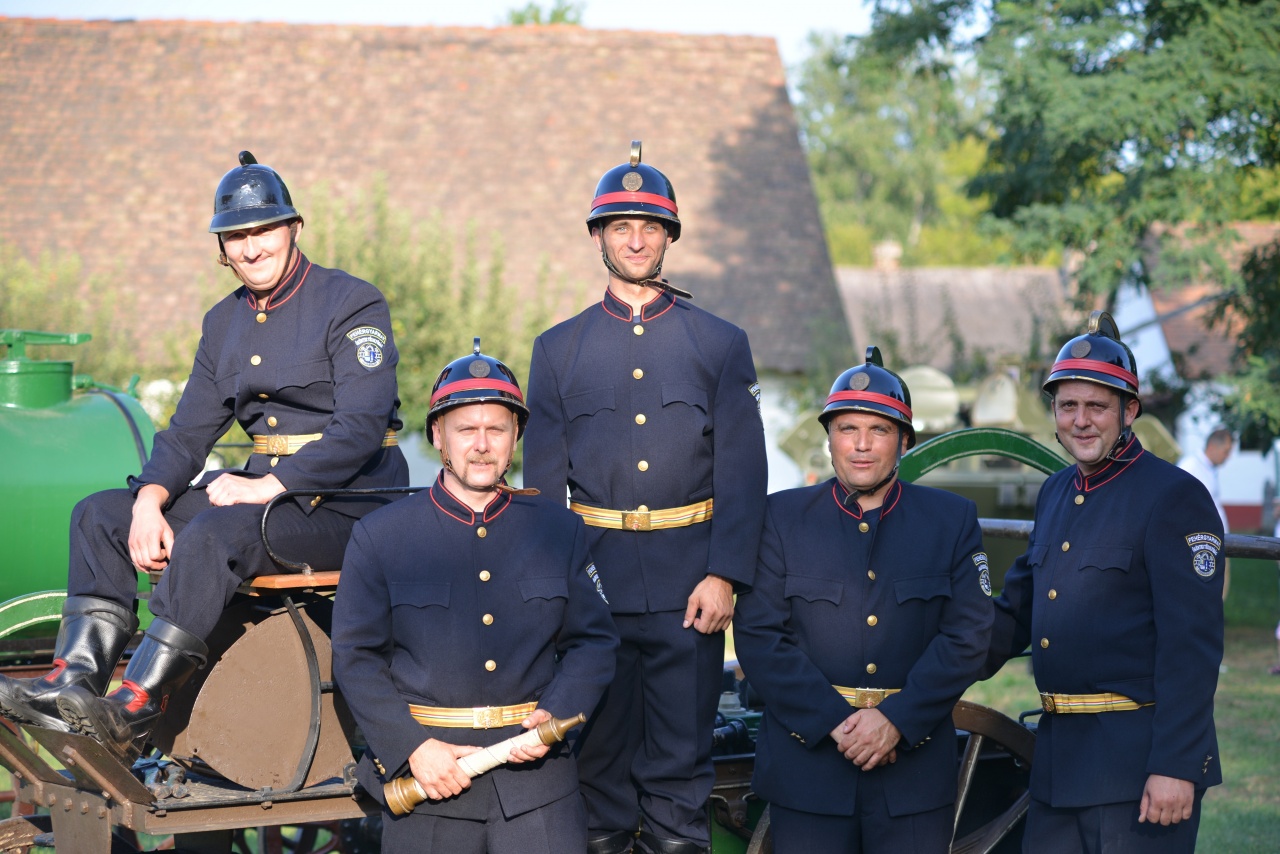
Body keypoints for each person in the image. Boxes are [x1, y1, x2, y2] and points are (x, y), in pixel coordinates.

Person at [0, 151, 409, 762]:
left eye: (262, 230)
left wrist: (270, 485)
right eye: (235, 237)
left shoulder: (350, 303)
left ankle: (135, 706)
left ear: (293, 227)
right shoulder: (224, 323)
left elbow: (359, 427)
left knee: (218, 528)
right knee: (99, 515)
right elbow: (190, 430)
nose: (250, 248)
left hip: (348, 504)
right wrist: (148, 499)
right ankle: (75, 684)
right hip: (266, 504)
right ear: (222, 247)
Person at [523, 142, 768, 854]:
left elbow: (743, 475)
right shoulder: (558, 350)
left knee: (679, 770)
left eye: (651, 226)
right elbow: (543, 495)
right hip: (593, 588)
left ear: (669, 237)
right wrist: (562, 593)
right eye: (621, 225)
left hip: (689, 585)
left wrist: (725, 575)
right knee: (594, 770)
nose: (636, 238)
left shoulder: (718, 343)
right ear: (598, 236)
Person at [331, 342, 618, 853]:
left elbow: (594, 642)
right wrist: (411, 748)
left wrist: (558, 711)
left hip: (540, 793)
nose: (481, 445)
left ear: (516, 439)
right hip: (432, 789)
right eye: (466, 429)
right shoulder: (382, 536)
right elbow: (355, 658)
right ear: (439, 435)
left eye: (497, 430)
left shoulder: (560, 531)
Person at [733, 348, 994, 854]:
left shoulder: (951, 520)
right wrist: (836, 723)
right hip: (807, 772)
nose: (861, 446)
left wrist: (897, 721)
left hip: (913, 778)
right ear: (828, 438)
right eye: (847, 429)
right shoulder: (781, 519)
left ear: (904, 441)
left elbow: (968, 635)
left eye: (879, 431)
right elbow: (760, 638)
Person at [983, 311, 1224, 853]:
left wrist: (1176, 767)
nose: (1081, 420)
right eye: (1068, 406)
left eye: (1097, 406)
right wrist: (921, 658)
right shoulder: (1055, 492)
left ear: (1129, 411)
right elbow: (1013, 615)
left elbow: (1193, 647)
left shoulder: (1173, 497)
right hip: (1058, 766)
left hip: (1138, 774)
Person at [1178, 426, 1234, 599]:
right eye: (1226, 451)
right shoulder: (1189, 467)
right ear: (1212, 447)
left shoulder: (1209, 469)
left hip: (1217, 540)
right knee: (1204, 593)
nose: (1228, 457)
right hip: (1203, 543)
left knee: (1217, 592)